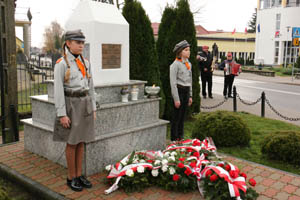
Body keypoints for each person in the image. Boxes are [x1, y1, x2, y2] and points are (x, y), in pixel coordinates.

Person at [53, 30, 96, 192]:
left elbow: (91, 86)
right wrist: (62, 114)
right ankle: (70, 177)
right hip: (70, 104)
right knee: (72, 142)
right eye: (78, 42)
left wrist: (93, 107)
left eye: (82, 43)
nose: (81, 46)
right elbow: (58, 91)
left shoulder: (86, 63)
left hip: (84, 104)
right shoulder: (62, 64)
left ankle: (79, 175)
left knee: (81, 141)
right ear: (68, 43)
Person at [170, 40, 193, 141]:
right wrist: (176, 99)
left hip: (186, 91)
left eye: (189, 50)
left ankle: (181, 137)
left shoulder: (188, 64)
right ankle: (174, 138)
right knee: (176, 117)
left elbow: (190, 80)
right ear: (180, 52)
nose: (189, 52)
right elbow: (173, 83)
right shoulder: (175, 65)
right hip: (179, 91)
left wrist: (190, 95)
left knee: (182, 117)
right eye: (186, 50)